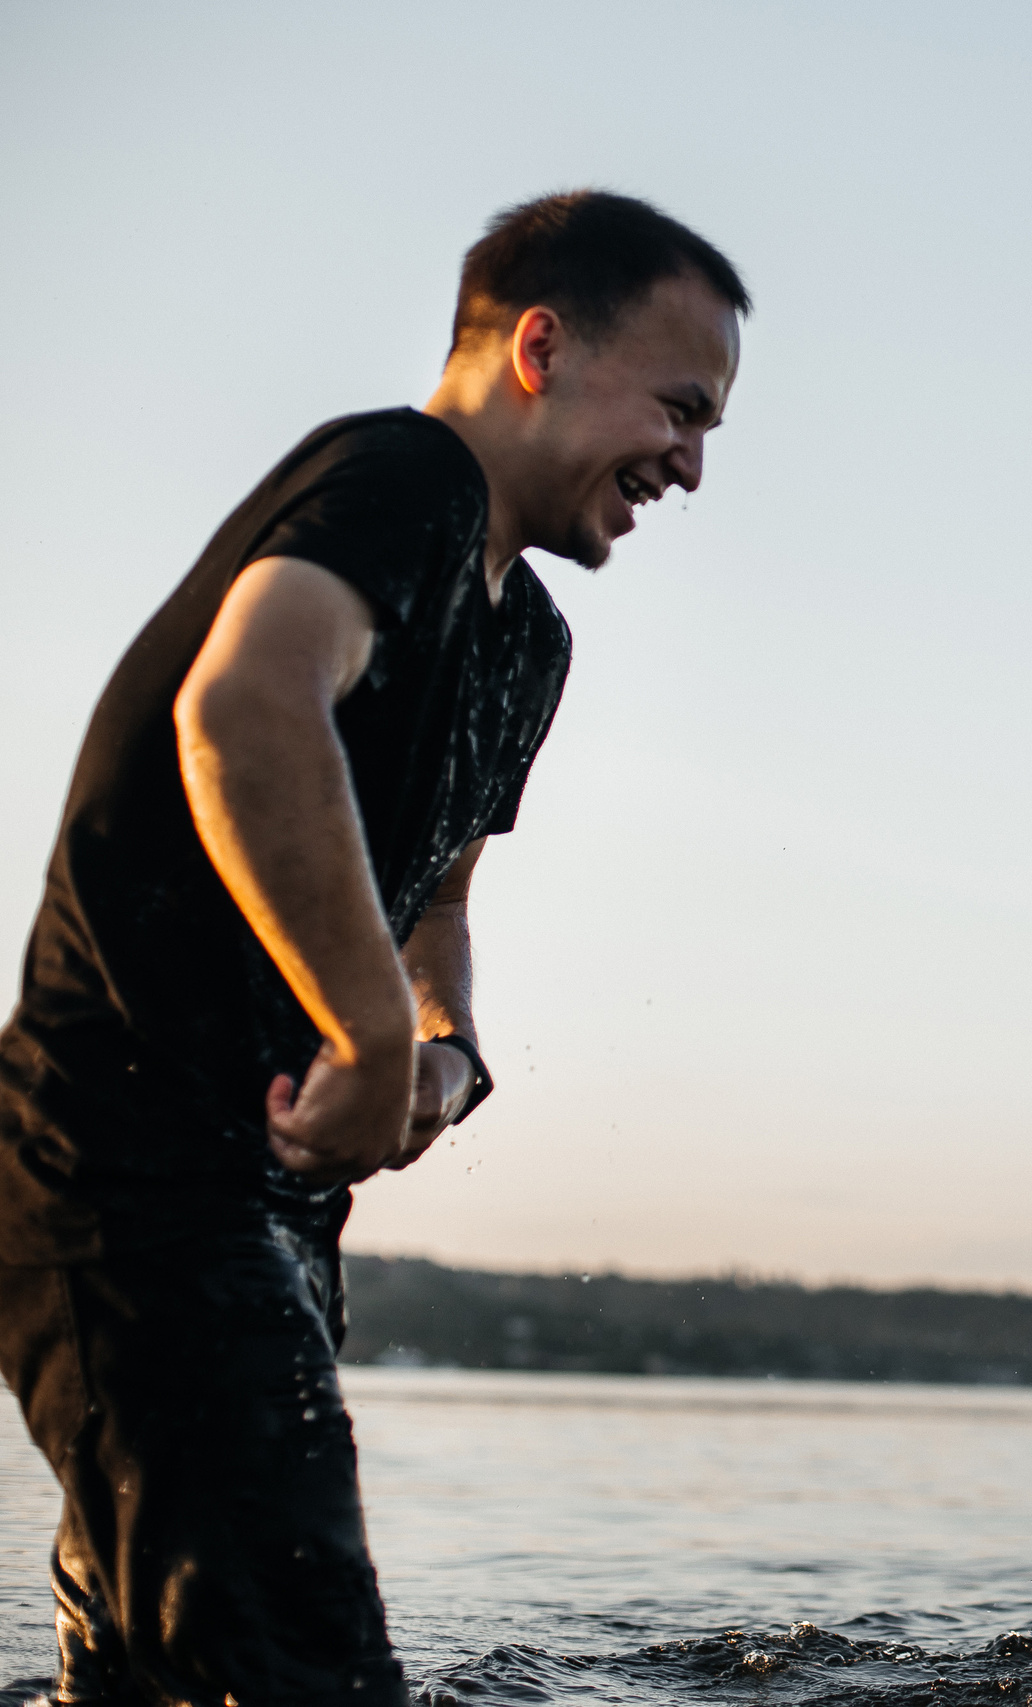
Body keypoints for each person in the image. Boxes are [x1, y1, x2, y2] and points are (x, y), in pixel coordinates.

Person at [0, 191, 746, 1699]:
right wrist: (363, 1033)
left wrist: (440, 1047)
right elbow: (246, 704)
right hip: (122, 1178)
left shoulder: (528, 640)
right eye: (680, 407)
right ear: (539, 345)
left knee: (158, 1676)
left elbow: (438, 901)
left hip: (266, 1213)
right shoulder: (403, 477)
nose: (692, 462)